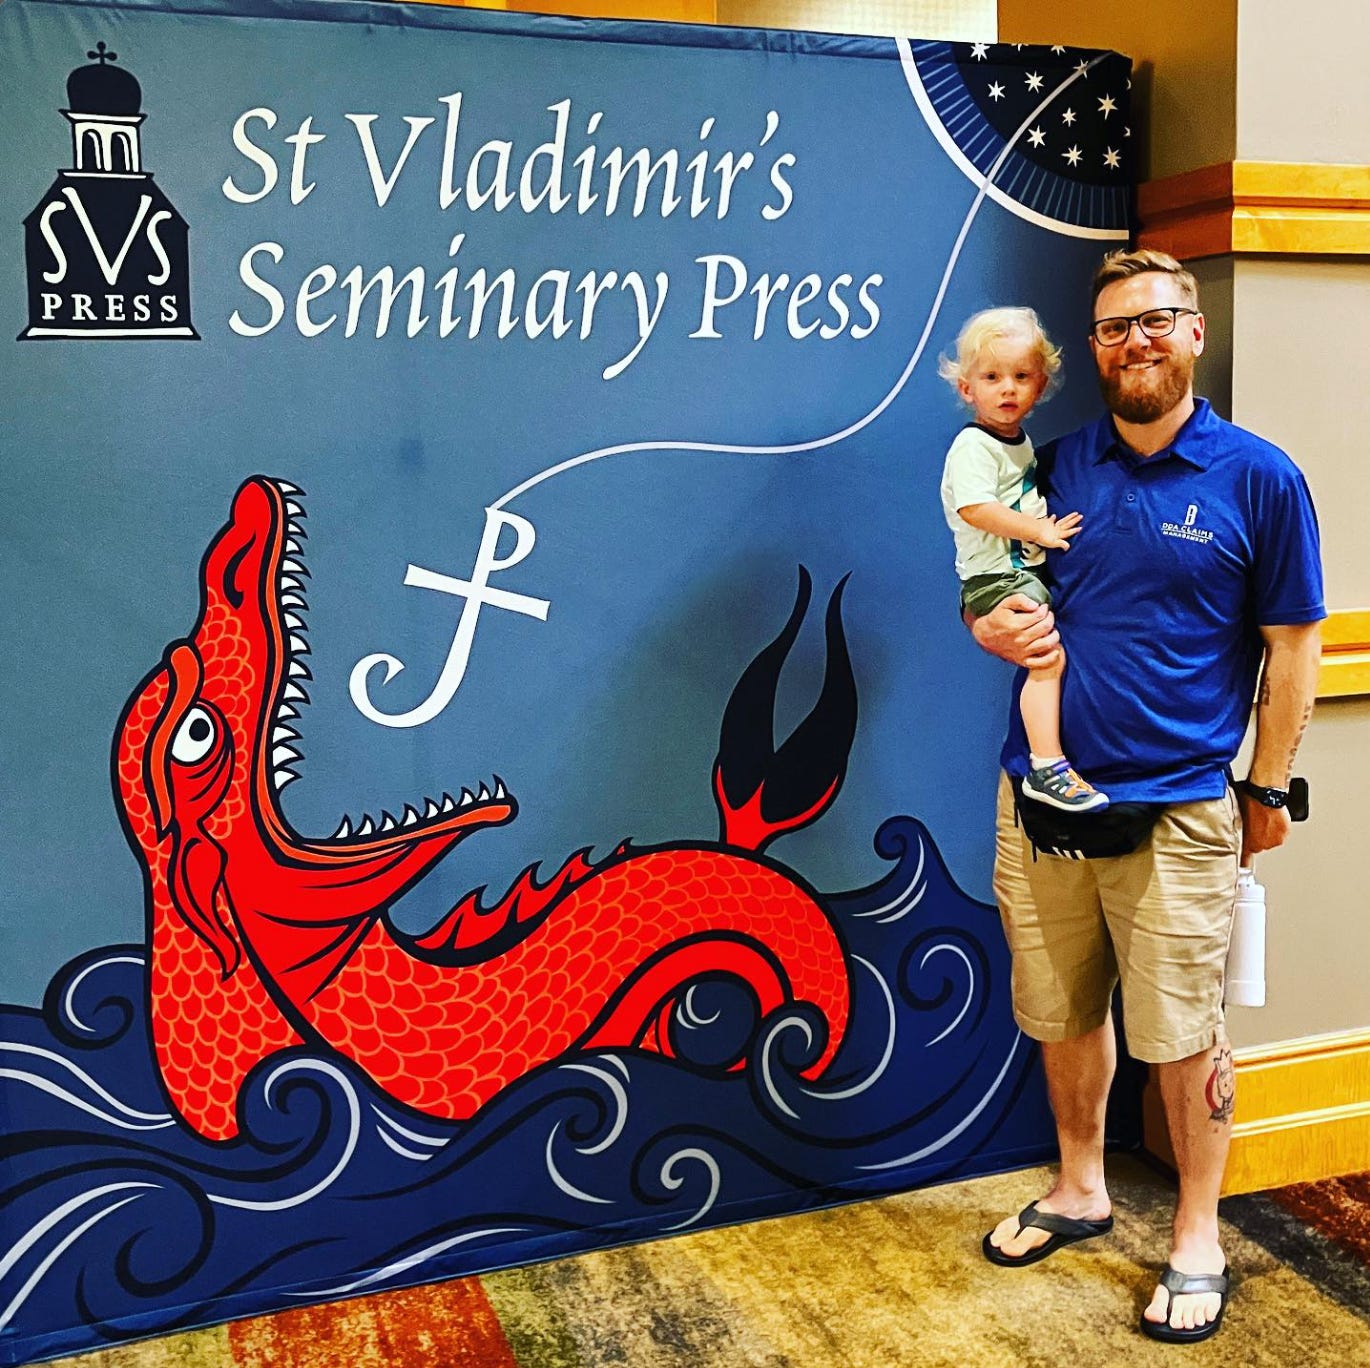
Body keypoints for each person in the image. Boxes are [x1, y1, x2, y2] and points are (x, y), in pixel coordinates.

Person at [969, 248, 1324, 1343]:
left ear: (1194, 333)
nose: (1137, 342)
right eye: (1116, 327)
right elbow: (987, 584)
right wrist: (983, 626)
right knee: (1062, 1010)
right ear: (1093, 349)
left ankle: (1197, 1234)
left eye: (1158, 320)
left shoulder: (1259, 478)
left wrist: (1267, 786)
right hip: (1043, 798)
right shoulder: (1051, 468)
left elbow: (1293, 646)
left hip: (1177, 808)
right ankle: (1080, 1186)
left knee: (1181, 1033)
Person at [939, 307, 1107, 812]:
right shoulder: (973, 446)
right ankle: (1047, 765)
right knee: (1047, 656)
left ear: (1041, 385)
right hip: (998, 577)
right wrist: (1038, 531)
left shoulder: (1019, 444)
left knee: (1050, 652)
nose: (1007, 389)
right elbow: (975, 507)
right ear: (967, 388)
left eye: (1021, 376)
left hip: (1018, 570)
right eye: (992, 377)